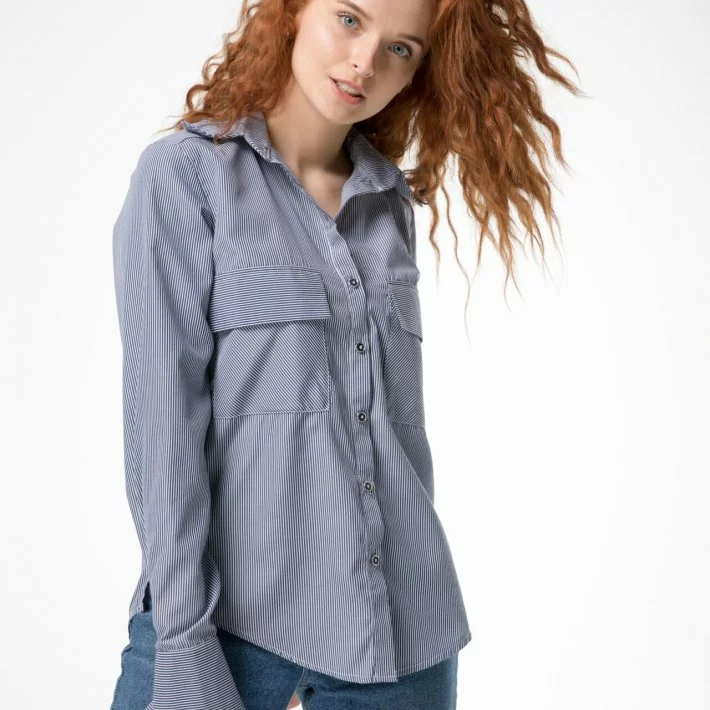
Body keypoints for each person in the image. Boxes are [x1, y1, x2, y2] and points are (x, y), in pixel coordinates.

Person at [109, 0, 581, 708]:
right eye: (351, 20)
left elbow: (399, 435)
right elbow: (163, 430)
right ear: (293, 12)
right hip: (228, 630)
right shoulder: (184, 178)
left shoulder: (387, 205)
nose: (365, 62)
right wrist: (184, 641)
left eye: (401, 49)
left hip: (403, 637)